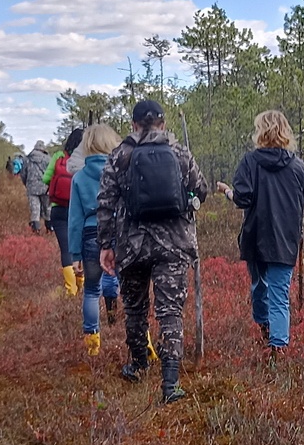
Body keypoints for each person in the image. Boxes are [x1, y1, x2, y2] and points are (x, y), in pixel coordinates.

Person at [97, 99, 209, 404]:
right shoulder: (179, 152)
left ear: (133, 125)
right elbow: (201, 190)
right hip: (173, 245)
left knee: (135, 308)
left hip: (130, 246)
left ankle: (138, 364)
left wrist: (106, 245)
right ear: (162, 123)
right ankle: (170, 383)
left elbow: (105, 203)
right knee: (169, 311)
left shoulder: (119, 155)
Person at [216, 110, 304, 353]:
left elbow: (242, 198)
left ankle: (266, 331)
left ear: (260, 132)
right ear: (285, 132)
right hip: (285, 239)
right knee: (279, 294)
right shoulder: (296, 165)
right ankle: (277, 349)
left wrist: (228, 192)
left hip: (255, 237)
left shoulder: (249, 163)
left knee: (259, 286)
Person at [68, 124, 125, 356]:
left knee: (91, 290)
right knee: (123, 283)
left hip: (90, 236)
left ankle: (93, 347)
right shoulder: (121, 172)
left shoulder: (80, 177)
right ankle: (136, 336)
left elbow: (75, 220)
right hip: (119, 234)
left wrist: (74, 255)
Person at [45, 128, 84, 296]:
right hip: (80, 210)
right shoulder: (85, 159)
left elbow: (46, 178)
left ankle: (71, 289)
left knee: (65, 249)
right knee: (80, 247)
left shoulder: (58, 156)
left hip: (58, 209)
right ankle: (81, 283)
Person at [23, 145, 52, 234]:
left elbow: (23, 174)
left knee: (35, 209)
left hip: (32, 187)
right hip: (45, 187)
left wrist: (26, 183)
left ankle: (36, 229)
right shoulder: (48, 159)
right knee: (47, 208)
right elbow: (52, 173)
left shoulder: (27, 159)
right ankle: (49, 228)